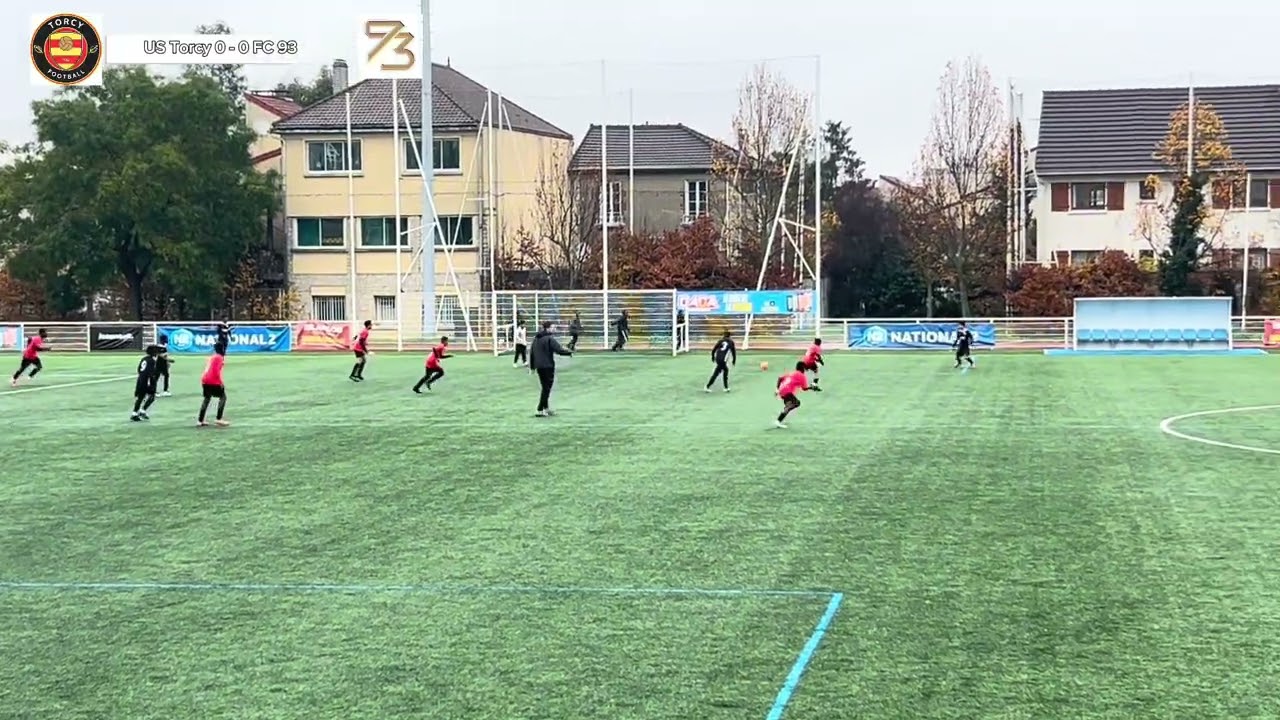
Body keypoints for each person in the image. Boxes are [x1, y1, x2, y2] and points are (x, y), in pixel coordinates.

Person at [529, 320, 572, 416]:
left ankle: (546, 408)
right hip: (548, 366)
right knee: (546, 388)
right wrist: (569, 352)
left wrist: (532, 367)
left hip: (539, 366)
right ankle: (540, 409)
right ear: (548, 328)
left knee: (545, 387)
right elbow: (559, 350)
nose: (554, 329)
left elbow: (532, 353)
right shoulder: (549, 339)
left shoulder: (536, 339)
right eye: (553, 327)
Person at [775, 360, 819, 428]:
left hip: (782, 390)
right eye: (805, 368)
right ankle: (778, 421)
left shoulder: (792, 373)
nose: (805, 370)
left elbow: (780, 378)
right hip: (787, 391)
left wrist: (777, 389)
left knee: (790, 404)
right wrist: (812, 388)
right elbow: (804, 388)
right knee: (795, 403)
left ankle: (780, 418)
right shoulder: (802, 376)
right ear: (803, 368)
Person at [198, 342, 229, 427]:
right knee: (223, 397)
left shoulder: (212, 357)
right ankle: (219, 419)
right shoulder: (219, 358)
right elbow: (216, 372)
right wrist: (220, 382)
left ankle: (200, 420)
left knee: (207, 398)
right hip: (213, 380)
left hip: (205, 380)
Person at [131, 344, 161, 422]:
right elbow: (150, 373)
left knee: (140, 397)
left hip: (140, 379)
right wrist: (151, 383)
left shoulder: (144, 359)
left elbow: (139, 369)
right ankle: (140, 411)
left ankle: (136, 413)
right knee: (151, 396)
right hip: (146, 381)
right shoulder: (152, 361)